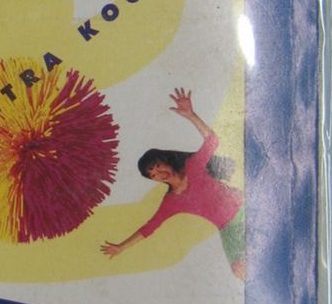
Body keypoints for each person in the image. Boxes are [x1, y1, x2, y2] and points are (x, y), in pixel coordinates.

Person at [101, 88, 246, 280]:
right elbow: (149, 228)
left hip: (243, 208)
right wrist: (121, 247)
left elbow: (212, 141)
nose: (159, 174)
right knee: (239, 271)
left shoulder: (192, 167)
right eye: (153, 175)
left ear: (166, 161)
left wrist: (191, 115)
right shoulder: (171, 202)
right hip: (227, 229)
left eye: (158, 167)